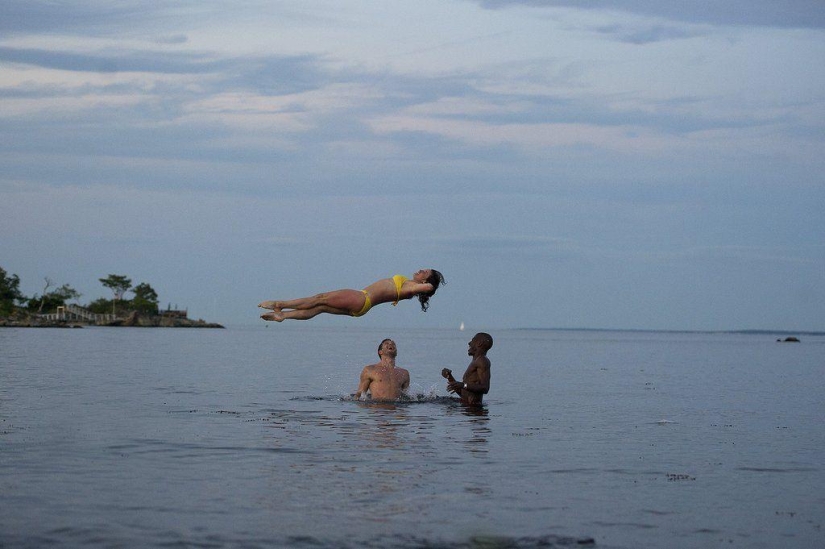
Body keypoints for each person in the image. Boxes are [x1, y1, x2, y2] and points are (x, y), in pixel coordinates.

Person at [259, 269, 445, 322]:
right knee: (320, 308)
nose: (420, 270)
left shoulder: (413, 288)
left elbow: (429, 287)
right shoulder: (410, 285)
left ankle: (280, 304)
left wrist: (430, 283)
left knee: (320, 298)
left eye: (424, 272)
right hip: (361, 306)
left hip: (362, 298)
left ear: (424, 281)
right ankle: (283, 315)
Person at [442, 332, 493, 406]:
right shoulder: (476, 361)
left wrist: (463, 385)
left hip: (474, 410)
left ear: (479, 343)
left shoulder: (482, 361)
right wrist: (449, 377)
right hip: (467, 407)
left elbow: (485, 388)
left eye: (472, 341)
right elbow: (464, 392)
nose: (469, 343)